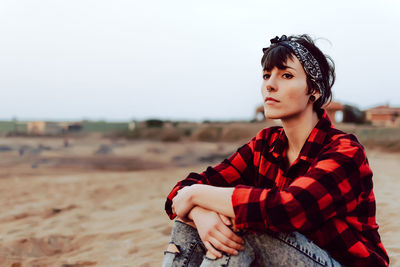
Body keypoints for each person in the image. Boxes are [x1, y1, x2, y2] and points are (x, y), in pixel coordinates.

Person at [162, 34, 389, 266]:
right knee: (188, 221)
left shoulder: (344, 150)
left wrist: (195, 195)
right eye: (266, 75)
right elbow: (178, 196)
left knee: (248, 222)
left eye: (287, 75)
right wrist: (199, 213)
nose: (270, 84)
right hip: (286, 256)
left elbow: (290, 208)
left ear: (314, 91)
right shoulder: (264, 144)